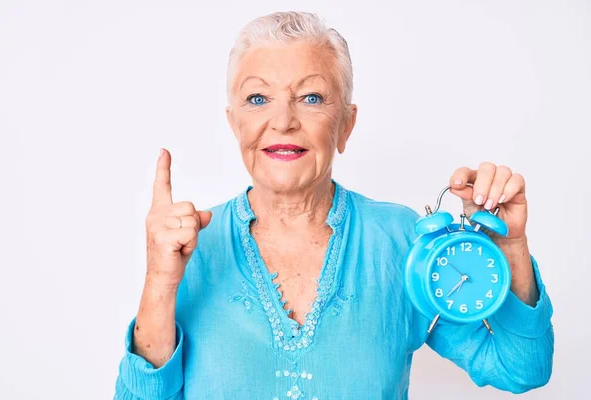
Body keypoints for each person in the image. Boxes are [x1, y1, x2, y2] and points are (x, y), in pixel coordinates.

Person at [113, 11, 554, 400]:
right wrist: (159, 281)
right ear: (235, 124)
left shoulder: (401, 242)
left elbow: (521, 370)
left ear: (346, 123)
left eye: (311, 98)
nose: (283, 120)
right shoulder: (190, 249)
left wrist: (512, 249)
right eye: (257, 99)